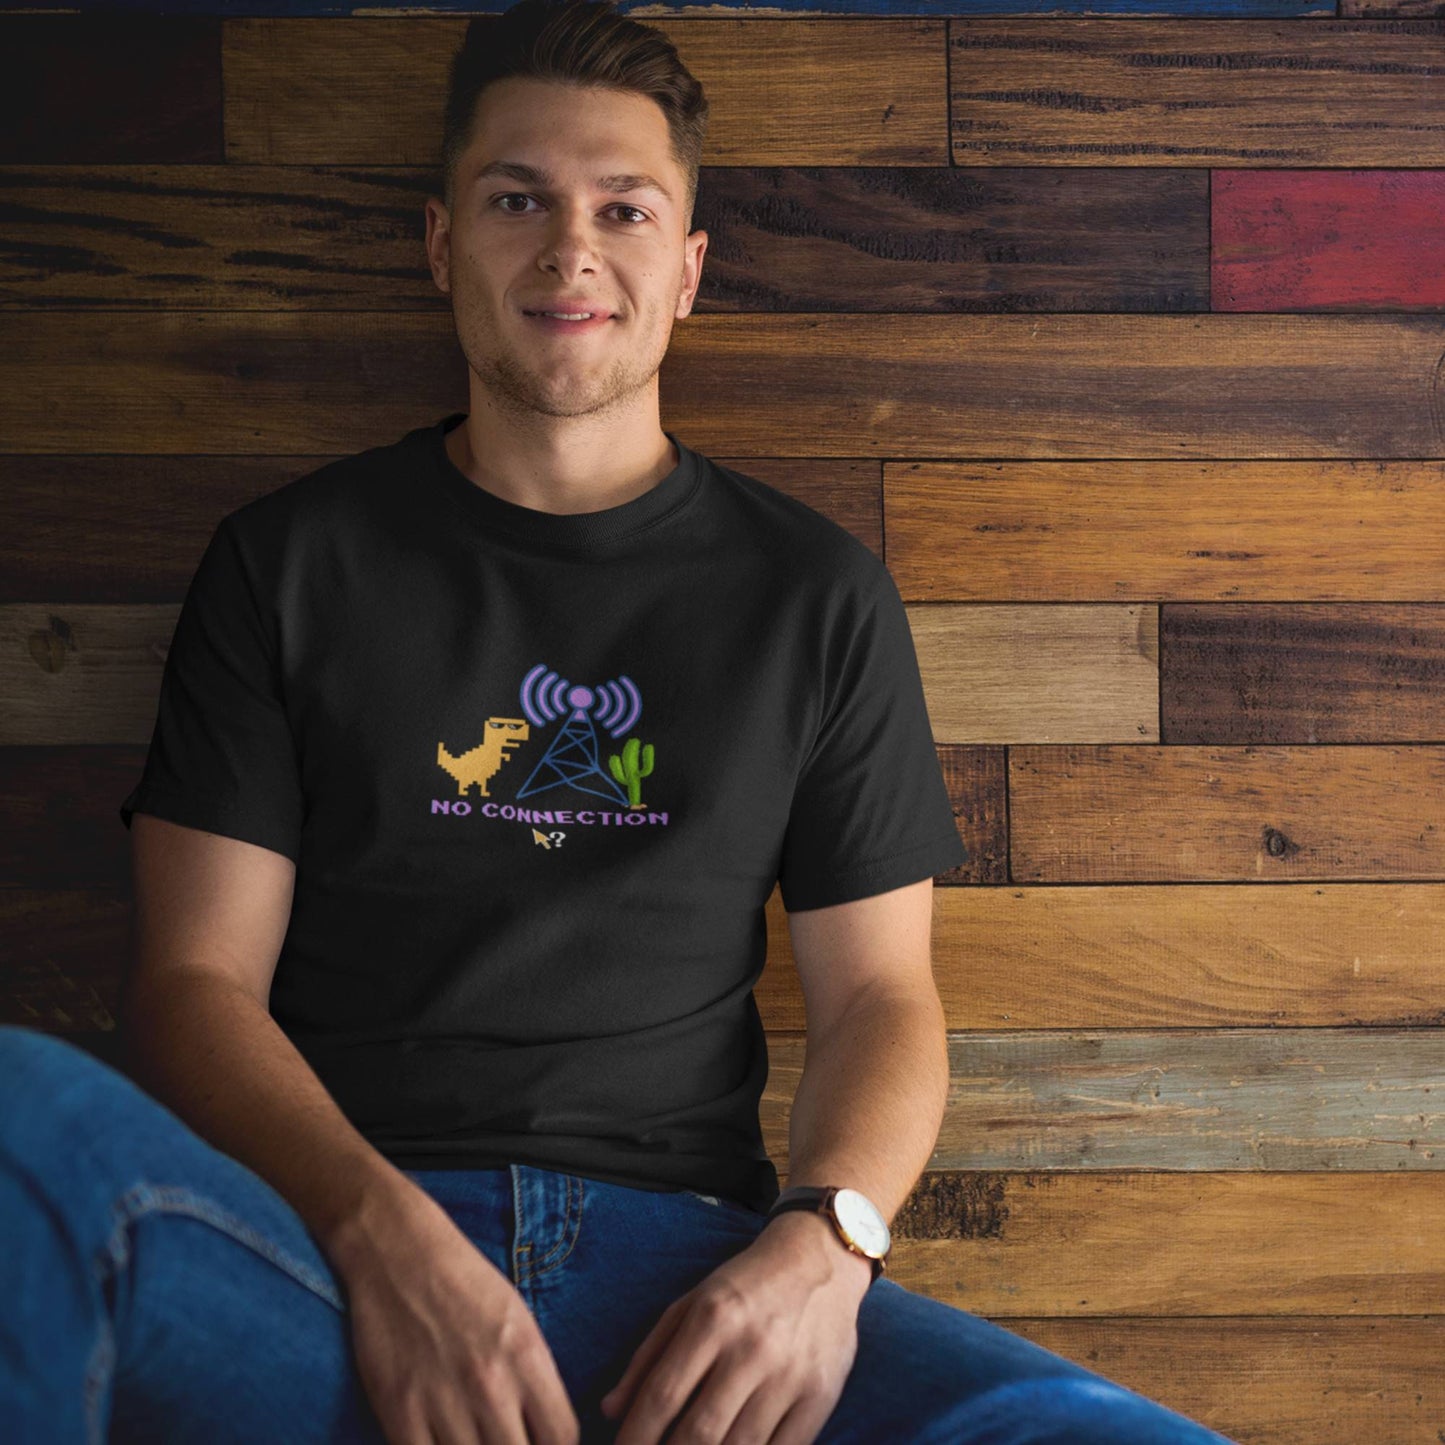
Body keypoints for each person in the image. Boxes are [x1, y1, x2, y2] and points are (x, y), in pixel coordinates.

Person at [0, 2, 1238, 1442]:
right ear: (440, 243)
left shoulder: (812, 595)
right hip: (327, 1260)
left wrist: (823, 1249)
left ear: (687, 268)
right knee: (20, 1107)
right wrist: (384, 1240)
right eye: (516, 196)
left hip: (700, 1289)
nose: (569, 246)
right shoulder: (288, 563)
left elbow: (881, 998)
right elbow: (191, 987)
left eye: (623, 208)